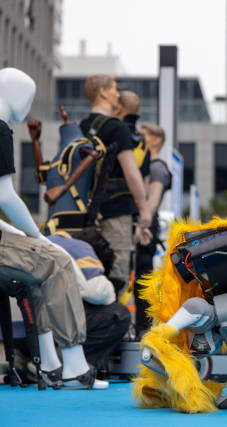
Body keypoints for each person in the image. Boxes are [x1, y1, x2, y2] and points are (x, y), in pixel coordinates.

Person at [0, 67, 108, 389]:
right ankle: (75, 368)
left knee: (36, 271)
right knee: (57, 262)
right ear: (14, 94)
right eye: (28, 97)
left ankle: (50, 365)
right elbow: (4, 196)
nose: (29, 105)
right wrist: (36, 235)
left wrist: (20, 234)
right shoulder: (0, 129)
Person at [79, 75, 151, 295]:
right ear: (102, 92)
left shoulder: (82, 126)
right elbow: (131, 171)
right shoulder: (117, 128)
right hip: (116, 210)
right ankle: (111, 314)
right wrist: (144, 209)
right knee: (116, 274)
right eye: (114, 89)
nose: (117, 94)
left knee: (87, 270)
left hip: (85, 212)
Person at [48, 229, 130, 370]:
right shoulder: (80, 247)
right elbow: (99, 292)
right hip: (48, 325)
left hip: (22, 330)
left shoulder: (48, 239)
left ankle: (36, 359)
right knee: (119, 315)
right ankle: (67, 366)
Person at [134, 123, 171, 337]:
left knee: (143, 278)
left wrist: (143, 225)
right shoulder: (149, 166)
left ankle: (143, 327)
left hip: (146, 227)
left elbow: (153, 201)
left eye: (144, 136)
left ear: (156, 140)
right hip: (144, 225)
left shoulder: (156, 167)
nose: (139, 140)